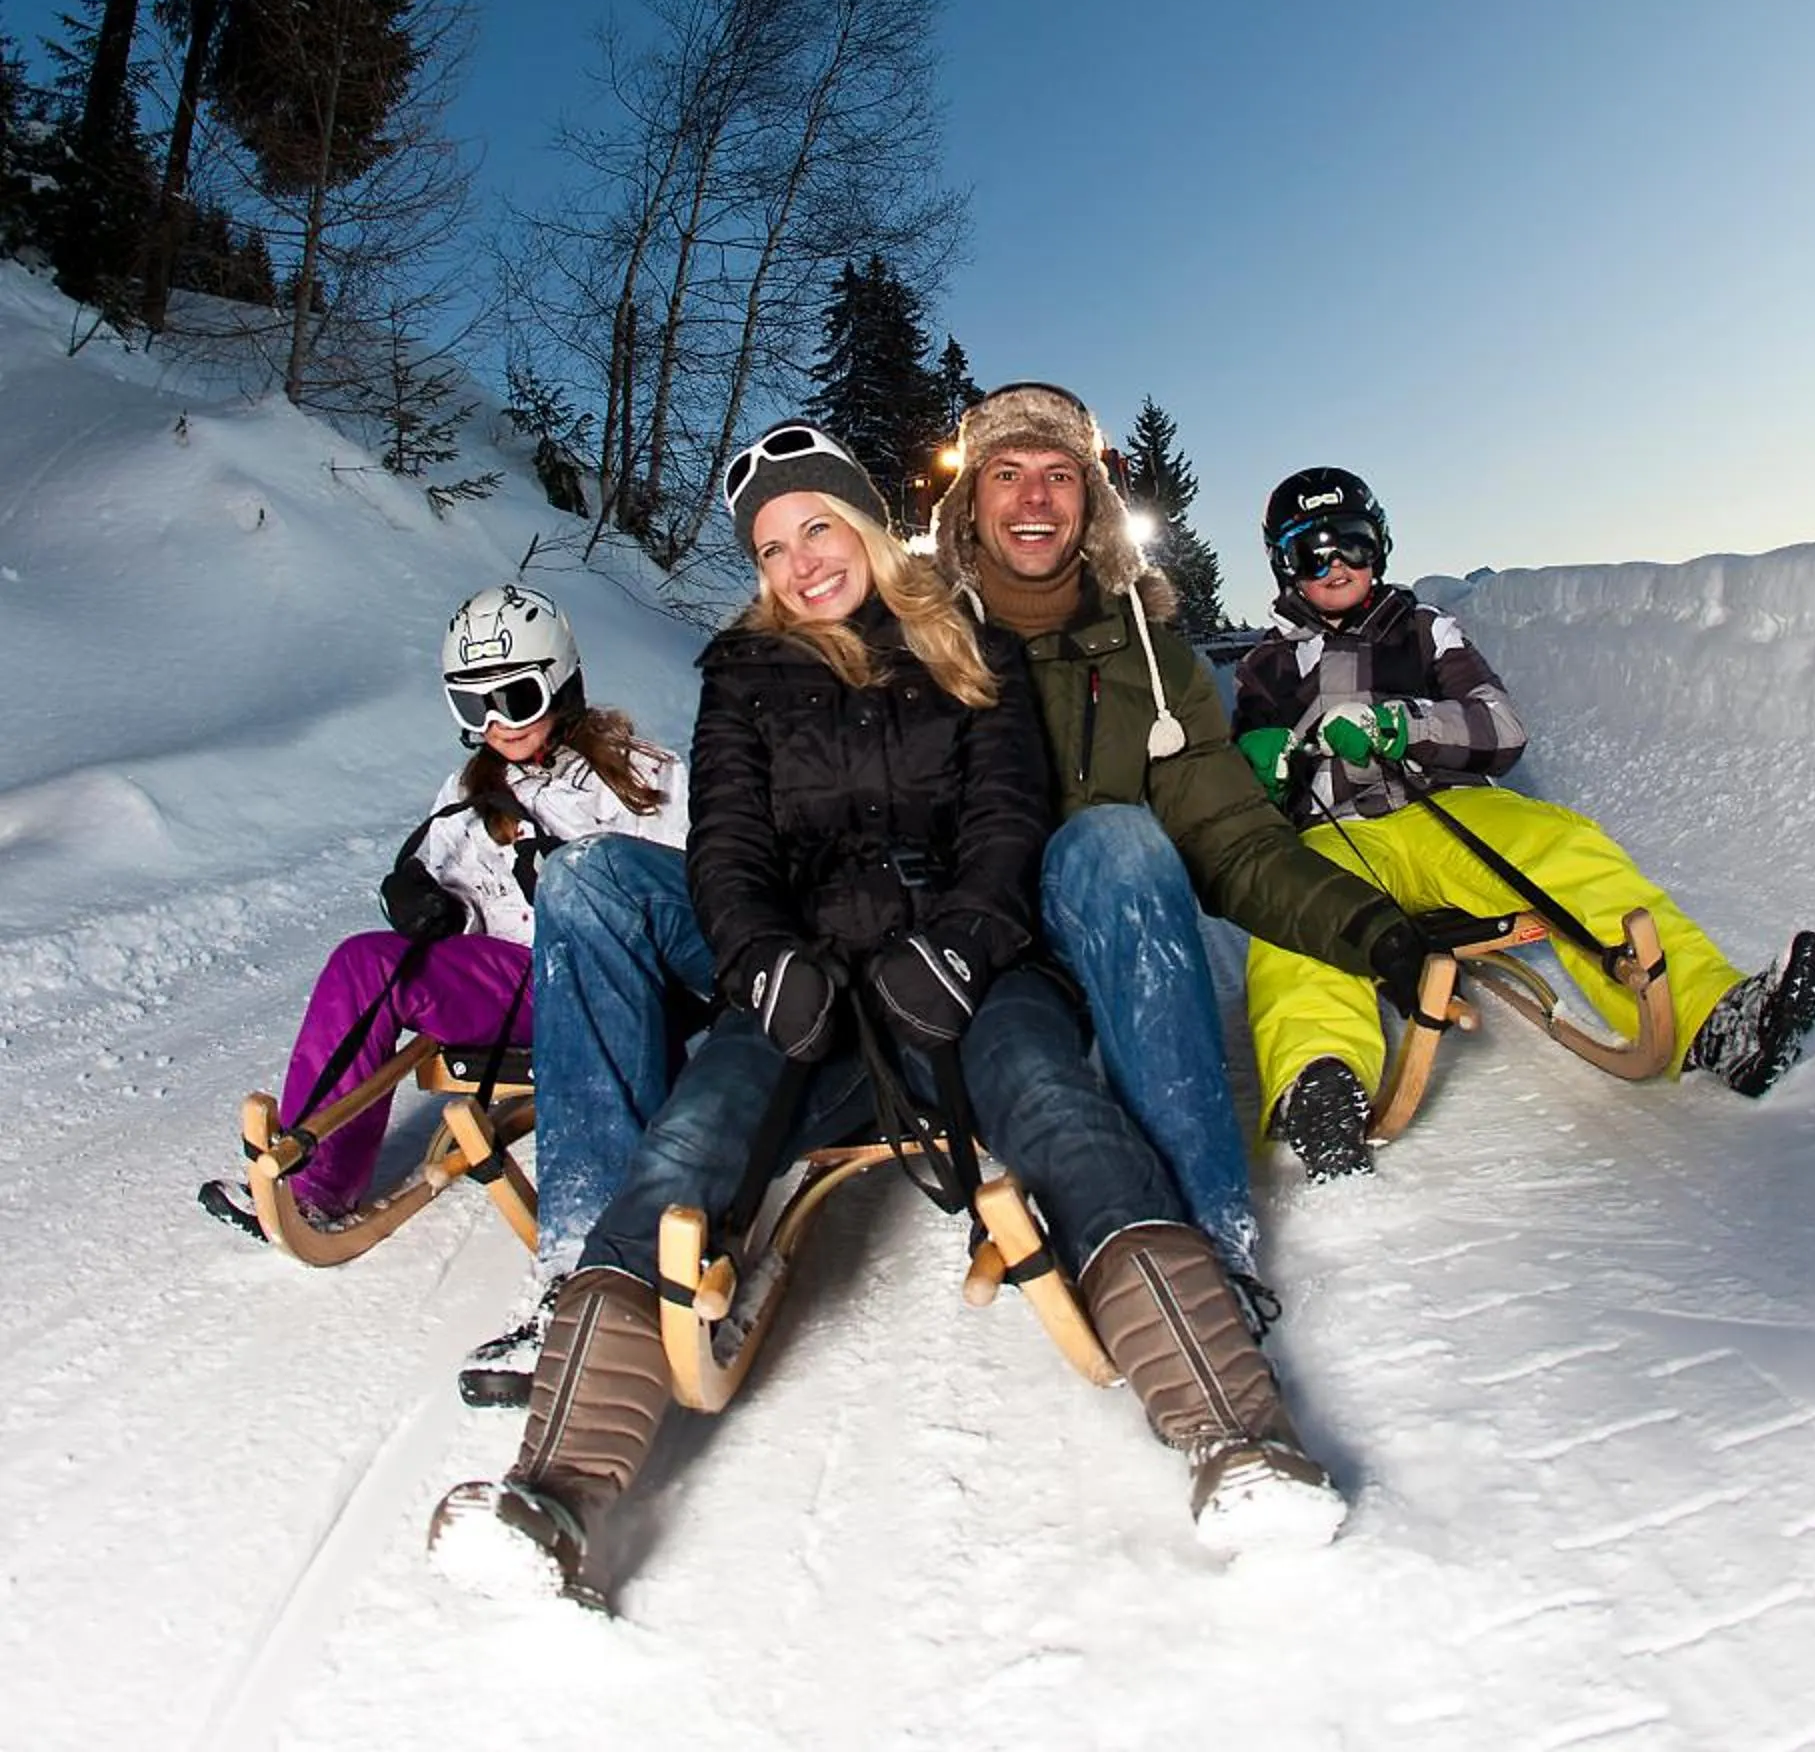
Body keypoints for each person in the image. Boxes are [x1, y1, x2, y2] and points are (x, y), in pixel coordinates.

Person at [429, 426, 1342, 1603]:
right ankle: (548, 1494)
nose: (801, 562)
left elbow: (1009, 818)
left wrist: (964, 941)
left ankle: (1238, 1439)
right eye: (771, 549)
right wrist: (759, 960)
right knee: (691, 1147)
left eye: (817, 527)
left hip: (962, 976)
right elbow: (727, 853)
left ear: (861, 522)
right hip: (805, 987)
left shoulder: (962, 646)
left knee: (1064, 1117)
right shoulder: (741, 673)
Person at [928, 384, 1468, 1276]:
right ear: (970, 503)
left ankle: (1216, 1254)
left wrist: (1377, 933)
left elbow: (1233, 837)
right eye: (1007, 473)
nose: (1034, 499)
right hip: (958, 953)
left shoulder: (1150, 658)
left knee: (1122, 843)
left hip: (1094, 928)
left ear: (1092, 505)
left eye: (1059, 475)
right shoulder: (913, 642)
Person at [1234, 466, 1815, 1178]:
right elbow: (1236, 807)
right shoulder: (1264, 669)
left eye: (1354, 546)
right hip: (1340, 832)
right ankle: (1320, 1080)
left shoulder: (1423, 630)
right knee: (1295, 911)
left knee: (1562, 845)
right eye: (1314, 552)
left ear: (1381, 548)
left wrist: (1406, 723)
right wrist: (1258, 767)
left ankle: (1713, 1021)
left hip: (1446, 809)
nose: (1337, 566)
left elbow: (1502, 724)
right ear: (1284, 565)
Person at [198, 583, 697, 1240]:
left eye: (515, 698)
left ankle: (614, 1215)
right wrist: (429, 907)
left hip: (606, 986)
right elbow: (449, 892)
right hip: (510, 983)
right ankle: (314, 1185)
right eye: (475, 703)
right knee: (366, 962)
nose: (498, 720)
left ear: (562, 684)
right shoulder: (466, 791)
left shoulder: (640, 776)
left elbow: (681, 900)